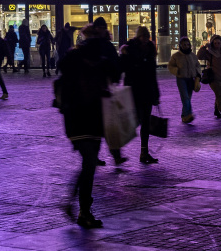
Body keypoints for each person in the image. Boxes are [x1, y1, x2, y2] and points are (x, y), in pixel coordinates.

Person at [54, 17, 123, 229]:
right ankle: (82, 210)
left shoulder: (73, 56)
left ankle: (78, 206)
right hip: (92, 115)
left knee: (89, 162)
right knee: (89, 162)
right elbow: (117, 74)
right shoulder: (102, 55)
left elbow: (60, 69)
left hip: (75, 116)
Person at [122, 26, 160, 163]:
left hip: (147, 90)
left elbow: (152, 73)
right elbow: (123, 67)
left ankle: (144, 152)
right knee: (137, 119)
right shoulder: (130, 48)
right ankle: (118, 147)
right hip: (135, 90)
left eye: (146, 37)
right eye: (142, 37)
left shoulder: (150, 49)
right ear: (138, 37)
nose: (144, 39)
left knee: (145, 122)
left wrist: (156, 94)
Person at [167, 36, 199, 123]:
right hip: (181, 79)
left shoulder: (193, 56)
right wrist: (177, 71)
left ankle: (184, 115)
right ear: (180, 45)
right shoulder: (176, 56)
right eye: (184, 44)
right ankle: (188, 115)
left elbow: (197, 65)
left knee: (188, 97)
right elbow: (170, 66)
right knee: (185, 98)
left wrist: (198, 75)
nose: (186, 46)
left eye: (187, 44)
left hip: (190, 79)